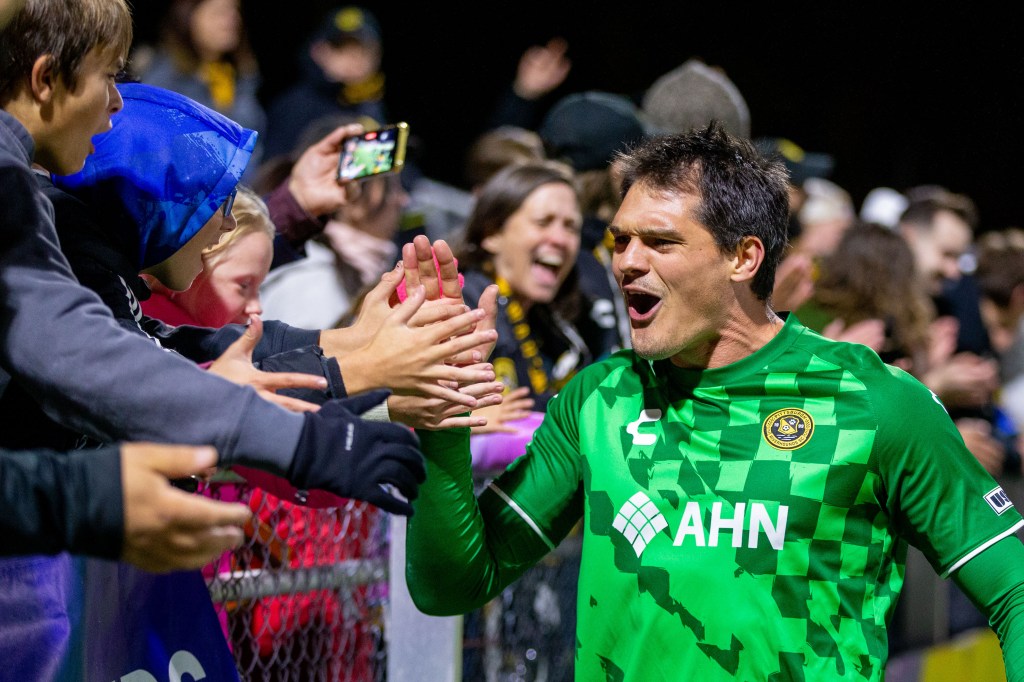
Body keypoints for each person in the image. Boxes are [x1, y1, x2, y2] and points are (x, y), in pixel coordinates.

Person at [405, 122, 1024, 680]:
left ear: (742, 257)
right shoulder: (599, 400)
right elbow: (452, 586)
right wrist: (441, 429)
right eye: (620, 241)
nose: (626, 262)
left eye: (660, 242)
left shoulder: (875, 402)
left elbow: (1012, 590)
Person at [133, 0, 266, 171]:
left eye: (234, 11)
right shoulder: (163, 78)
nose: (232, 20)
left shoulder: (239, 76)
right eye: (219, 13)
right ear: (189, 17)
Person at [262, 5, 387, 161]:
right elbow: (272, 172)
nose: (354, 58)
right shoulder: (295, 106)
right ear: (319, 51)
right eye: (341, 48)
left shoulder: (371, 106)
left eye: (363, 50)